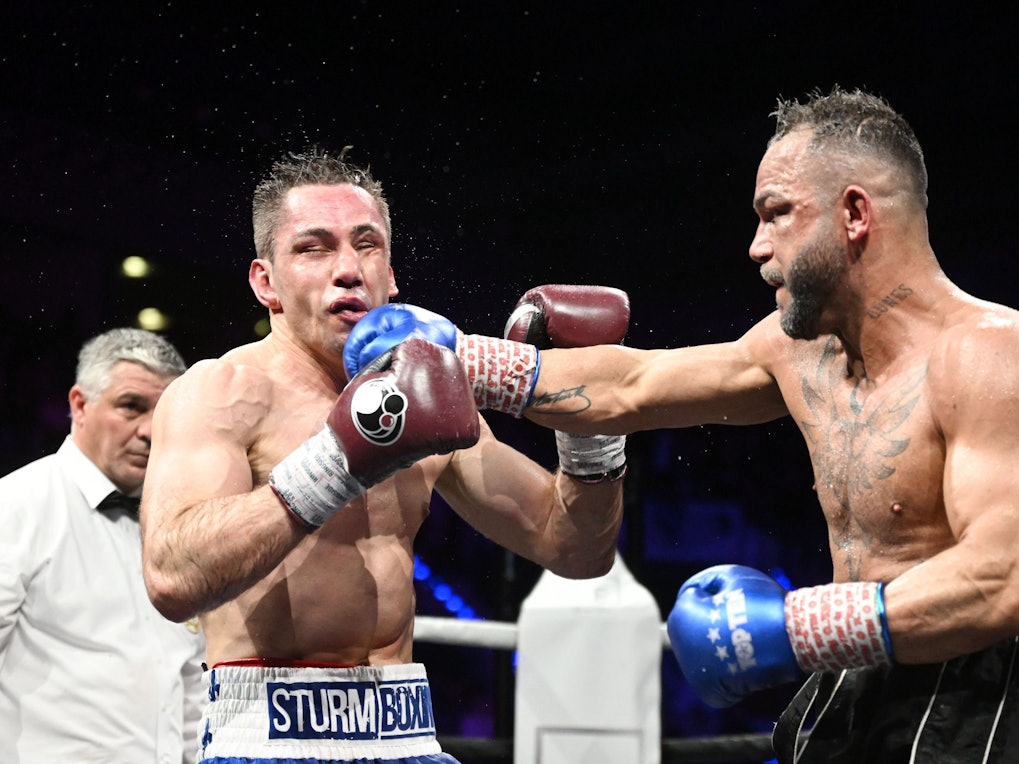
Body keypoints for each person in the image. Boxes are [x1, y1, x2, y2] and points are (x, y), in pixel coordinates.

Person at [345, 87, 1019, 762]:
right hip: (847, 687)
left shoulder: (985, 355)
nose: (757, 247)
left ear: (853, 213)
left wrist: (793, 629)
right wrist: (460, 359)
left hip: (977, 700)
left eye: (777, 214)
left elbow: (1001, 577)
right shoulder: (800, 352)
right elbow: (634, 385)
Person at [139, 147, 626, 764]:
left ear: (391, 274)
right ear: (267, 282)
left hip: (411, 737)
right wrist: (338, 461)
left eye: (366, 244)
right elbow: (171, 578)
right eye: (314, 248)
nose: (348, 269)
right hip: (269, 739)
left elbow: (576, 548)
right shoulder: (222, 391)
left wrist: (588, 431)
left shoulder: (425, 390)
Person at [0, 327, 207, 764]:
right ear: (80, 405)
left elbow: (190, 683)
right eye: (131, 406)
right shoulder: (15, 507)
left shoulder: (189, 523)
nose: (151, 431)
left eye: (165, 412)